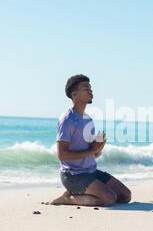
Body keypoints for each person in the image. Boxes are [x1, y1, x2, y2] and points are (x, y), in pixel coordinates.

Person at [50, 74, 132, 206]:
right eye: (86, 88)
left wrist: (98, 148)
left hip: (91, 172)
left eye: (90, 88)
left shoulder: (88, 120)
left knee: (125, 196)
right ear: (74, 94)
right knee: (109, 199)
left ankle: (82, 193)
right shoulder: (67, 119)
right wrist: (92, 150)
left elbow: (93, 154)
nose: (90, 91)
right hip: (73, 175)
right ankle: (68, 198)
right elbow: (62, 155)